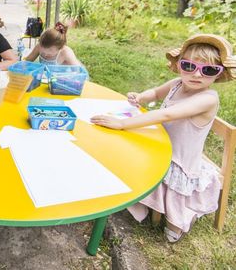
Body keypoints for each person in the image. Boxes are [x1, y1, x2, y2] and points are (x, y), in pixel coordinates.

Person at [91, 34, 236, 243]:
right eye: (189, 66)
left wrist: (122, 123)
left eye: (209, 70)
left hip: (179, 159)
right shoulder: (177, 84)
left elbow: (166, 114)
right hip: (161, 144)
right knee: (125, 148)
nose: (197, 74)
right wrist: (142, 97)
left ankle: (178, 220)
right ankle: (136, 197)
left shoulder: (208, 99)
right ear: (179, 65)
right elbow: (156, 93)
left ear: (219, 73)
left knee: (173, 217)